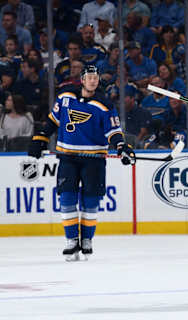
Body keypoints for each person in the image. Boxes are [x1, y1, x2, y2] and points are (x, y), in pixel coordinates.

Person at [27, 65, 135, 261]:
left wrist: (121, 146)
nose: (93, 80)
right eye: (89, 77)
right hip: (68, 157)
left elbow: (113, 132)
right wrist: (41, 137)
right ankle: (71, 241)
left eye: (95, 77)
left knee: (91, 201)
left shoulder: (105, 105)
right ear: (82, 80)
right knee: (67, 198)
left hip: (93, 160)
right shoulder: (65, 97)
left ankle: (86, 240)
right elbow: (53, 121)